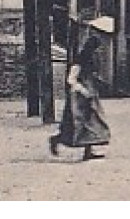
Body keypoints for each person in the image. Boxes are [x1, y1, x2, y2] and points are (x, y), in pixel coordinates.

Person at [50, 16, 112, 161]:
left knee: (89, 118)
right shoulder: (89, 45)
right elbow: (77, 63)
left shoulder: (94, 45)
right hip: (82, 84)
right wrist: (76, 83)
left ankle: (87, 150)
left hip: (88, 83)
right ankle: (58, 139)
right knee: (80, 118)